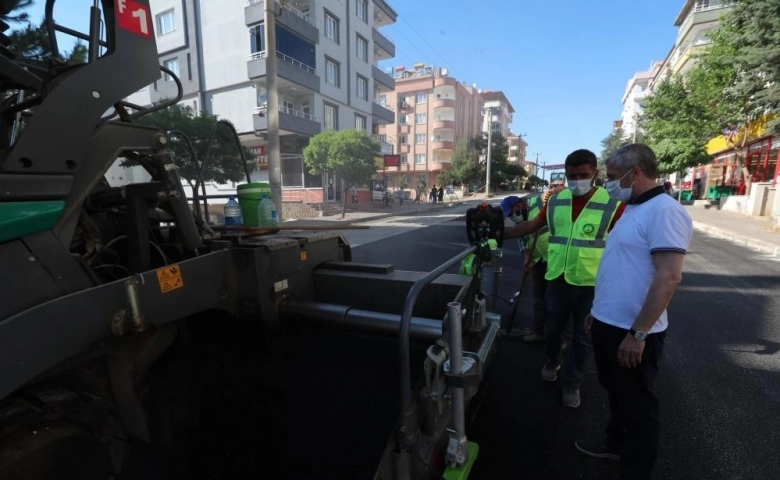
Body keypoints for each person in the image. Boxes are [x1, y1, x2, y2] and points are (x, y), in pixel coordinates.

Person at [576, 144, 692, 480]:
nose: (608, 184)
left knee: (638, 404)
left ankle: (636, 469)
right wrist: (597, 311)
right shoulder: (633, 209)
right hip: (608, 323)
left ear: (635, 173)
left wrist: (638, 333)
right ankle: (616, 443)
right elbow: (621, 265)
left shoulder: (665, 211)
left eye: (612, 177)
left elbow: (669, 276)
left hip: (633, 332)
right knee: (615, 392)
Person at [505, 149, 625, 408]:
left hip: (590, 284)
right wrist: (501, 233)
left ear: (595, 173)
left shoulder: (613, 204)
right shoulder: (557, 201)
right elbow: (533, 225)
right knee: (552, 329)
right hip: (557, 278)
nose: (578, 180)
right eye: (573, 176)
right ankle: (551, 361)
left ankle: (572, 383)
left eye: (584, 175)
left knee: (582, 338)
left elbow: (626, 245)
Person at [518, 181, 566, 343]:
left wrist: (560, 192)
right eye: (553, 185)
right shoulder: (528, 209)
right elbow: (523, 234)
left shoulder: (563, 201)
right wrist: (527, 256)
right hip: (538, 259)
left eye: (560, 185)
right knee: (539, 298)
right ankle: (538, 331)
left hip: (557, 260)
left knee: (558, 301)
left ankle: (560, 337)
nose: (555, 188)